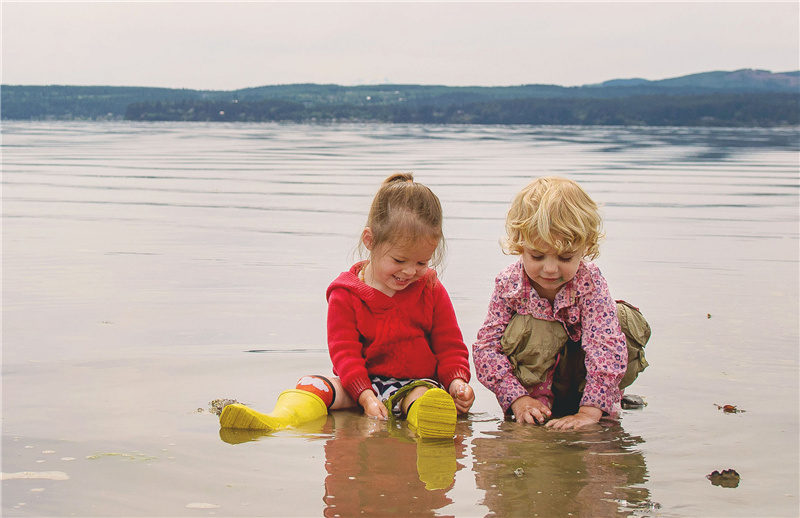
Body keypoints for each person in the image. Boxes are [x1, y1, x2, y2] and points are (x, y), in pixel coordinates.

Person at [221, 172, 475, 439]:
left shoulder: (431, 289)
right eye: (399, 260)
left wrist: (457, 382)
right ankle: (275, 421)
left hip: (414, 386)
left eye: (422, 263)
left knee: (427, 398)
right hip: (360, 386)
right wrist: (365, 396)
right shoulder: (346, 294)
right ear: (370, 240)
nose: (410, 271)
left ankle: (429, 424)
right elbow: (345, 354)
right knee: (314, 385)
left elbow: (449, 345)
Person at [472, 176, 649, 431]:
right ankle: (536, 407)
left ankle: (600, 403)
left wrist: (589, 412)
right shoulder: (508, 285)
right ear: (519, 246)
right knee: (535, 322)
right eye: (537, 255)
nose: (551, 269)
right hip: (532, 389)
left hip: (583, 380)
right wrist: (516, 399)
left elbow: (606, 347)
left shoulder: (590, 282)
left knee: (619, 320)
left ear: (585, 248)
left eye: (565, 257)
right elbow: (486, 348)